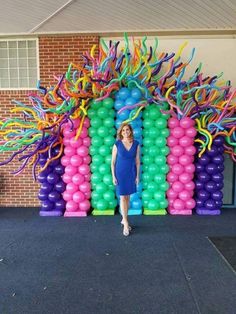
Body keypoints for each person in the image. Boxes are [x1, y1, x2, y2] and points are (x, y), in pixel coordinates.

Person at [111, 123, 140, 236]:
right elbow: (112, 163)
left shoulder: (136, 144)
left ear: (130, 131)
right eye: (123, 130)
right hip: (120, 173)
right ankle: (126, 223)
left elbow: (137, 162)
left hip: (131, 173)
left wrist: (137, 176)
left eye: (127, 130)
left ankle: (124, 218)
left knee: (127, 198)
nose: (125, 132)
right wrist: (113, 176)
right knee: (123, 197)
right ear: (120, 132)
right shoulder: (117, 144)